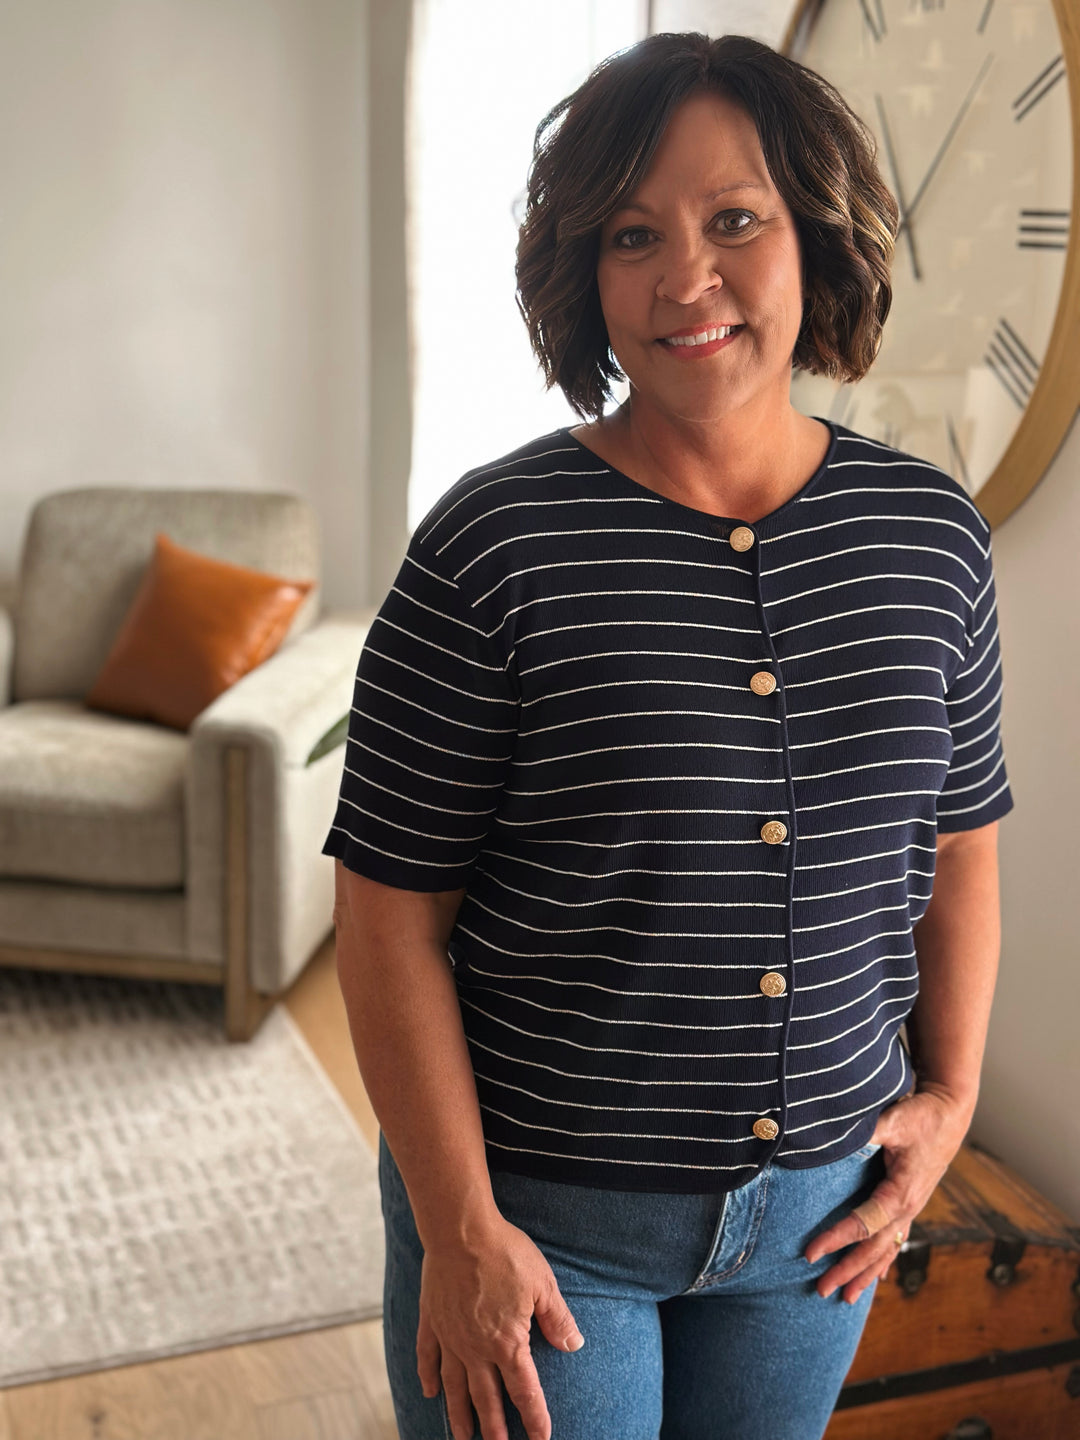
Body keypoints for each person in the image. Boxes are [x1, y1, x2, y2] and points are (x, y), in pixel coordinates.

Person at [324, 31, 1013, 1440]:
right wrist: (458, 1230)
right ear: (587, 275)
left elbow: (959, 848)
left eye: (734, 219)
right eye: (633, 234)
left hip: (816, 1237)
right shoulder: (493, 546)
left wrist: (950, 1095)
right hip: (542, 1232)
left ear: (813, 236)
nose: (685, 277)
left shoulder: (932, 538)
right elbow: (387, 917)